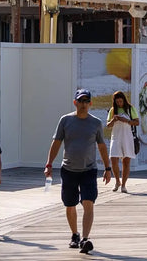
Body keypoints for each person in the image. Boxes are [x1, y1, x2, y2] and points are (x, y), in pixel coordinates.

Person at [44, 88, 112, 255]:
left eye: (86, 101)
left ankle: (85, 239)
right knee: (70, 204)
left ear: (90, 104)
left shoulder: (95, 123)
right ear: (75, 102)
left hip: (89, 170)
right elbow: (56, 142)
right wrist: (49, 164)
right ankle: (75, 234)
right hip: (68, 169)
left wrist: (108, 168)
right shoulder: (65, 120)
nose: (83, 104)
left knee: (88, 202)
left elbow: (102, 146)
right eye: (80, 101)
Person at [106, 90, 139, 193]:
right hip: (115, 137)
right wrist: (113, 120)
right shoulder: (112, 110)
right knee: (113, 159)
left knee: (126, 161)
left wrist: (127, 121)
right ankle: (117, 181)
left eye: (121, 101)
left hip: (127, 137)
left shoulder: (130, 109)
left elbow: (137, 122)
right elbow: (108, 125)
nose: (119, 103)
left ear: (124, 100)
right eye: (117, 102)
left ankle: (123, 185)